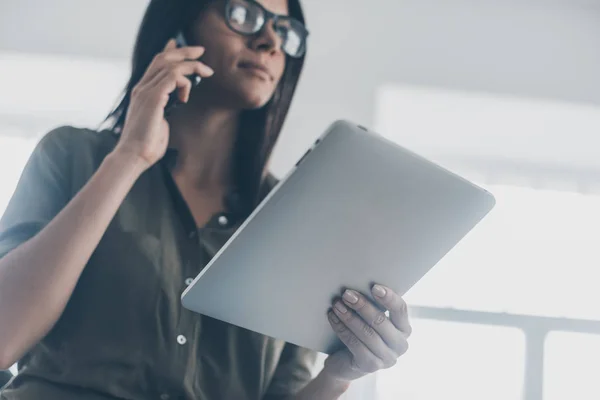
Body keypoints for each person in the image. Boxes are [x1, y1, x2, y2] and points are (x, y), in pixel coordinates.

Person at [0, 0, 412, 398]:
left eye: (284, 31)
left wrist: (340, 375)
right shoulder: (73, 156)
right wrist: (130, 156)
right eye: (243, 14)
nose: (269, 42)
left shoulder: (291, 216)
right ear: (179, 26)